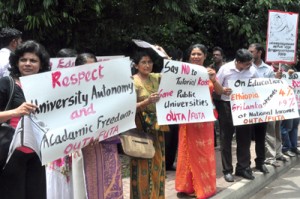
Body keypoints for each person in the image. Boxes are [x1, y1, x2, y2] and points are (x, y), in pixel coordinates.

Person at [0, 40, 50, 199]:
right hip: (11, 154)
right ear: (16, 62)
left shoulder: (48, 86)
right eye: (23, 60)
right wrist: (15, 112)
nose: (28, 64)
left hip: (38, 155)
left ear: (41, 64)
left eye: (33, 60)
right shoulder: (6, 84)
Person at [175, 44, 224, 198]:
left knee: (203, 152)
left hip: (204, 121)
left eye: (199, 54)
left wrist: (213, 79)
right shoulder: (182, 72)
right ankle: (186, 187)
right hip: (188, 119)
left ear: (204, 56)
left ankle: (203, 187)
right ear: (189, 56)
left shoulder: (210, 72)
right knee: (186, 150)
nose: (195, 56)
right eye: (193, 54)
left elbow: (220, 91)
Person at [76, 53, 124, 199]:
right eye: (86, 69)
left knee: (110, 178)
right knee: (90, 180)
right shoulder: (71, 92)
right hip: (86, 144)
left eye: (94, 68)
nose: (91, 72)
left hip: (108, 141)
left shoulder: (108, 87)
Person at [130, 50, 169, 199]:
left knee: (158, 163)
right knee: (141, 164)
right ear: (136, 65)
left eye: (150, 62)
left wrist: (165, 56)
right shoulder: (132, 81)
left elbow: (174, 75)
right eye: (143, 62)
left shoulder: (156, 77)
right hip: (141, 128)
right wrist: (147, 101)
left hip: (157, 127)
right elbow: (128, 107)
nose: (147, 65)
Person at [217, 49, 259, 182]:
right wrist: (223, 90)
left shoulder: (252, 70)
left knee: (245, 138)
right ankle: (227, 170)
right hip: (227, 106)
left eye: (250, 63)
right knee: (226, 139)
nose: (249, 66)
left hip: (245, 106)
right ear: (238, 62)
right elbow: (216, 86)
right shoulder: (225, 69)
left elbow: (258, 85)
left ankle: (242, 167)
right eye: (246, 64)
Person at [248, 43, 275, 174]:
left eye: (252, 51)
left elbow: (272, 88)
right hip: (247, 108)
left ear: (259, 53)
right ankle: (245, 165)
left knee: (260, 137)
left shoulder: (268, 70)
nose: (250, 53)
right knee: (246, 137)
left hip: (262, 109)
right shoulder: (246, 67)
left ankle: (260, 162)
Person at [264, 62, 288, 167]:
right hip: (268, 105)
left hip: (279, 104)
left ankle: (278, 153)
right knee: (270, 131)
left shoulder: (284, 70)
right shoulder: (266, 70)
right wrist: (274, 78)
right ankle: (270, 156)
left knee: (277, 129)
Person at [165, 48, 183, 171]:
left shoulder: (185, 71)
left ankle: (169, 163)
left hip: (178, 110)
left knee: (174, 138)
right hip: (168, 109)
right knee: (168, 137)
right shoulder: (165, 71)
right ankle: (166, 163)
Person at [280, 63, 300, 157]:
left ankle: (293, 147)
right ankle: (285, 148)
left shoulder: (293, 69)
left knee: (294, 126)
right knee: (286, 127)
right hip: (286, 105)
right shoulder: (278, 70)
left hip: (296, 103)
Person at [208, 46, 226, 147]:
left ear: (222, 56)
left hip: (223, 99)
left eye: (217, 55)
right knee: (214, 122)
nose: (215, 56)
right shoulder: (209, 68)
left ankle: (222, 143)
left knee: (223, 122)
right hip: (213, 99)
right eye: (214, 55)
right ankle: (215, 143)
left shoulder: (226, 67)